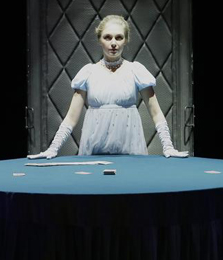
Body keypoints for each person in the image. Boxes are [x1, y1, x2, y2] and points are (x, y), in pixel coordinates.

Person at [29, 15, 188, 159]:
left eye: (119, 37)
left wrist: (168, 146)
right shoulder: (88, 72)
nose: (113, 43)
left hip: (130, 144)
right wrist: (53, 148)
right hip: (94, 145)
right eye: (107, 37)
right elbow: (71, 117)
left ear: (125, 40)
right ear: (100, 40)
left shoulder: (136, 71)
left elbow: (156, 112)